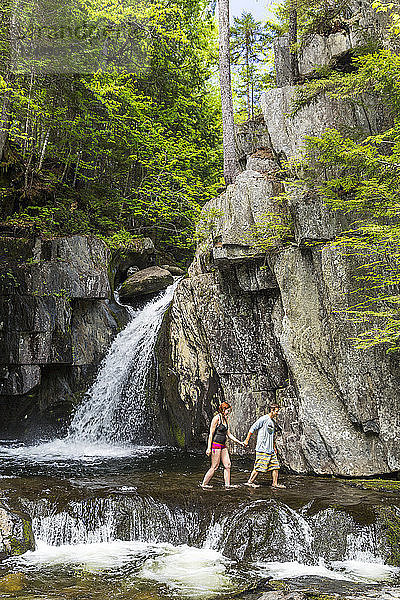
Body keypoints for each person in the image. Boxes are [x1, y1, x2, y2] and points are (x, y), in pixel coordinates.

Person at [201, 401, 244, 489]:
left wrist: (239, 442)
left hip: (223, 445)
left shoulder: (225, 419)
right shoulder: (217, 418)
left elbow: (229, 434)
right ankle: (204, 484)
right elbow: (211, 434)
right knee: (215, 466)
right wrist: (208, 448)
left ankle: (227, 485)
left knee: (228, 465)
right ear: (223, 409)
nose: (229, 413)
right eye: (228, 410)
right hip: (216, 445)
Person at [242, 404, 286, 489]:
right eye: (276, 411)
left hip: (270, 450)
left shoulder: (272, 422)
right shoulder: (264, 419)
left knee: (275, 466)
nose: (277, 413)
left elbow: (271, 436)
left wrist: (274, 447)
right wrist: (247, 440)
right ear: (272, 410)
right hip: (262, 448)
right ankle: (249, 482)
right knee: (258, 467)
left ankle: (275, 484)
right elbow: (252, 428)